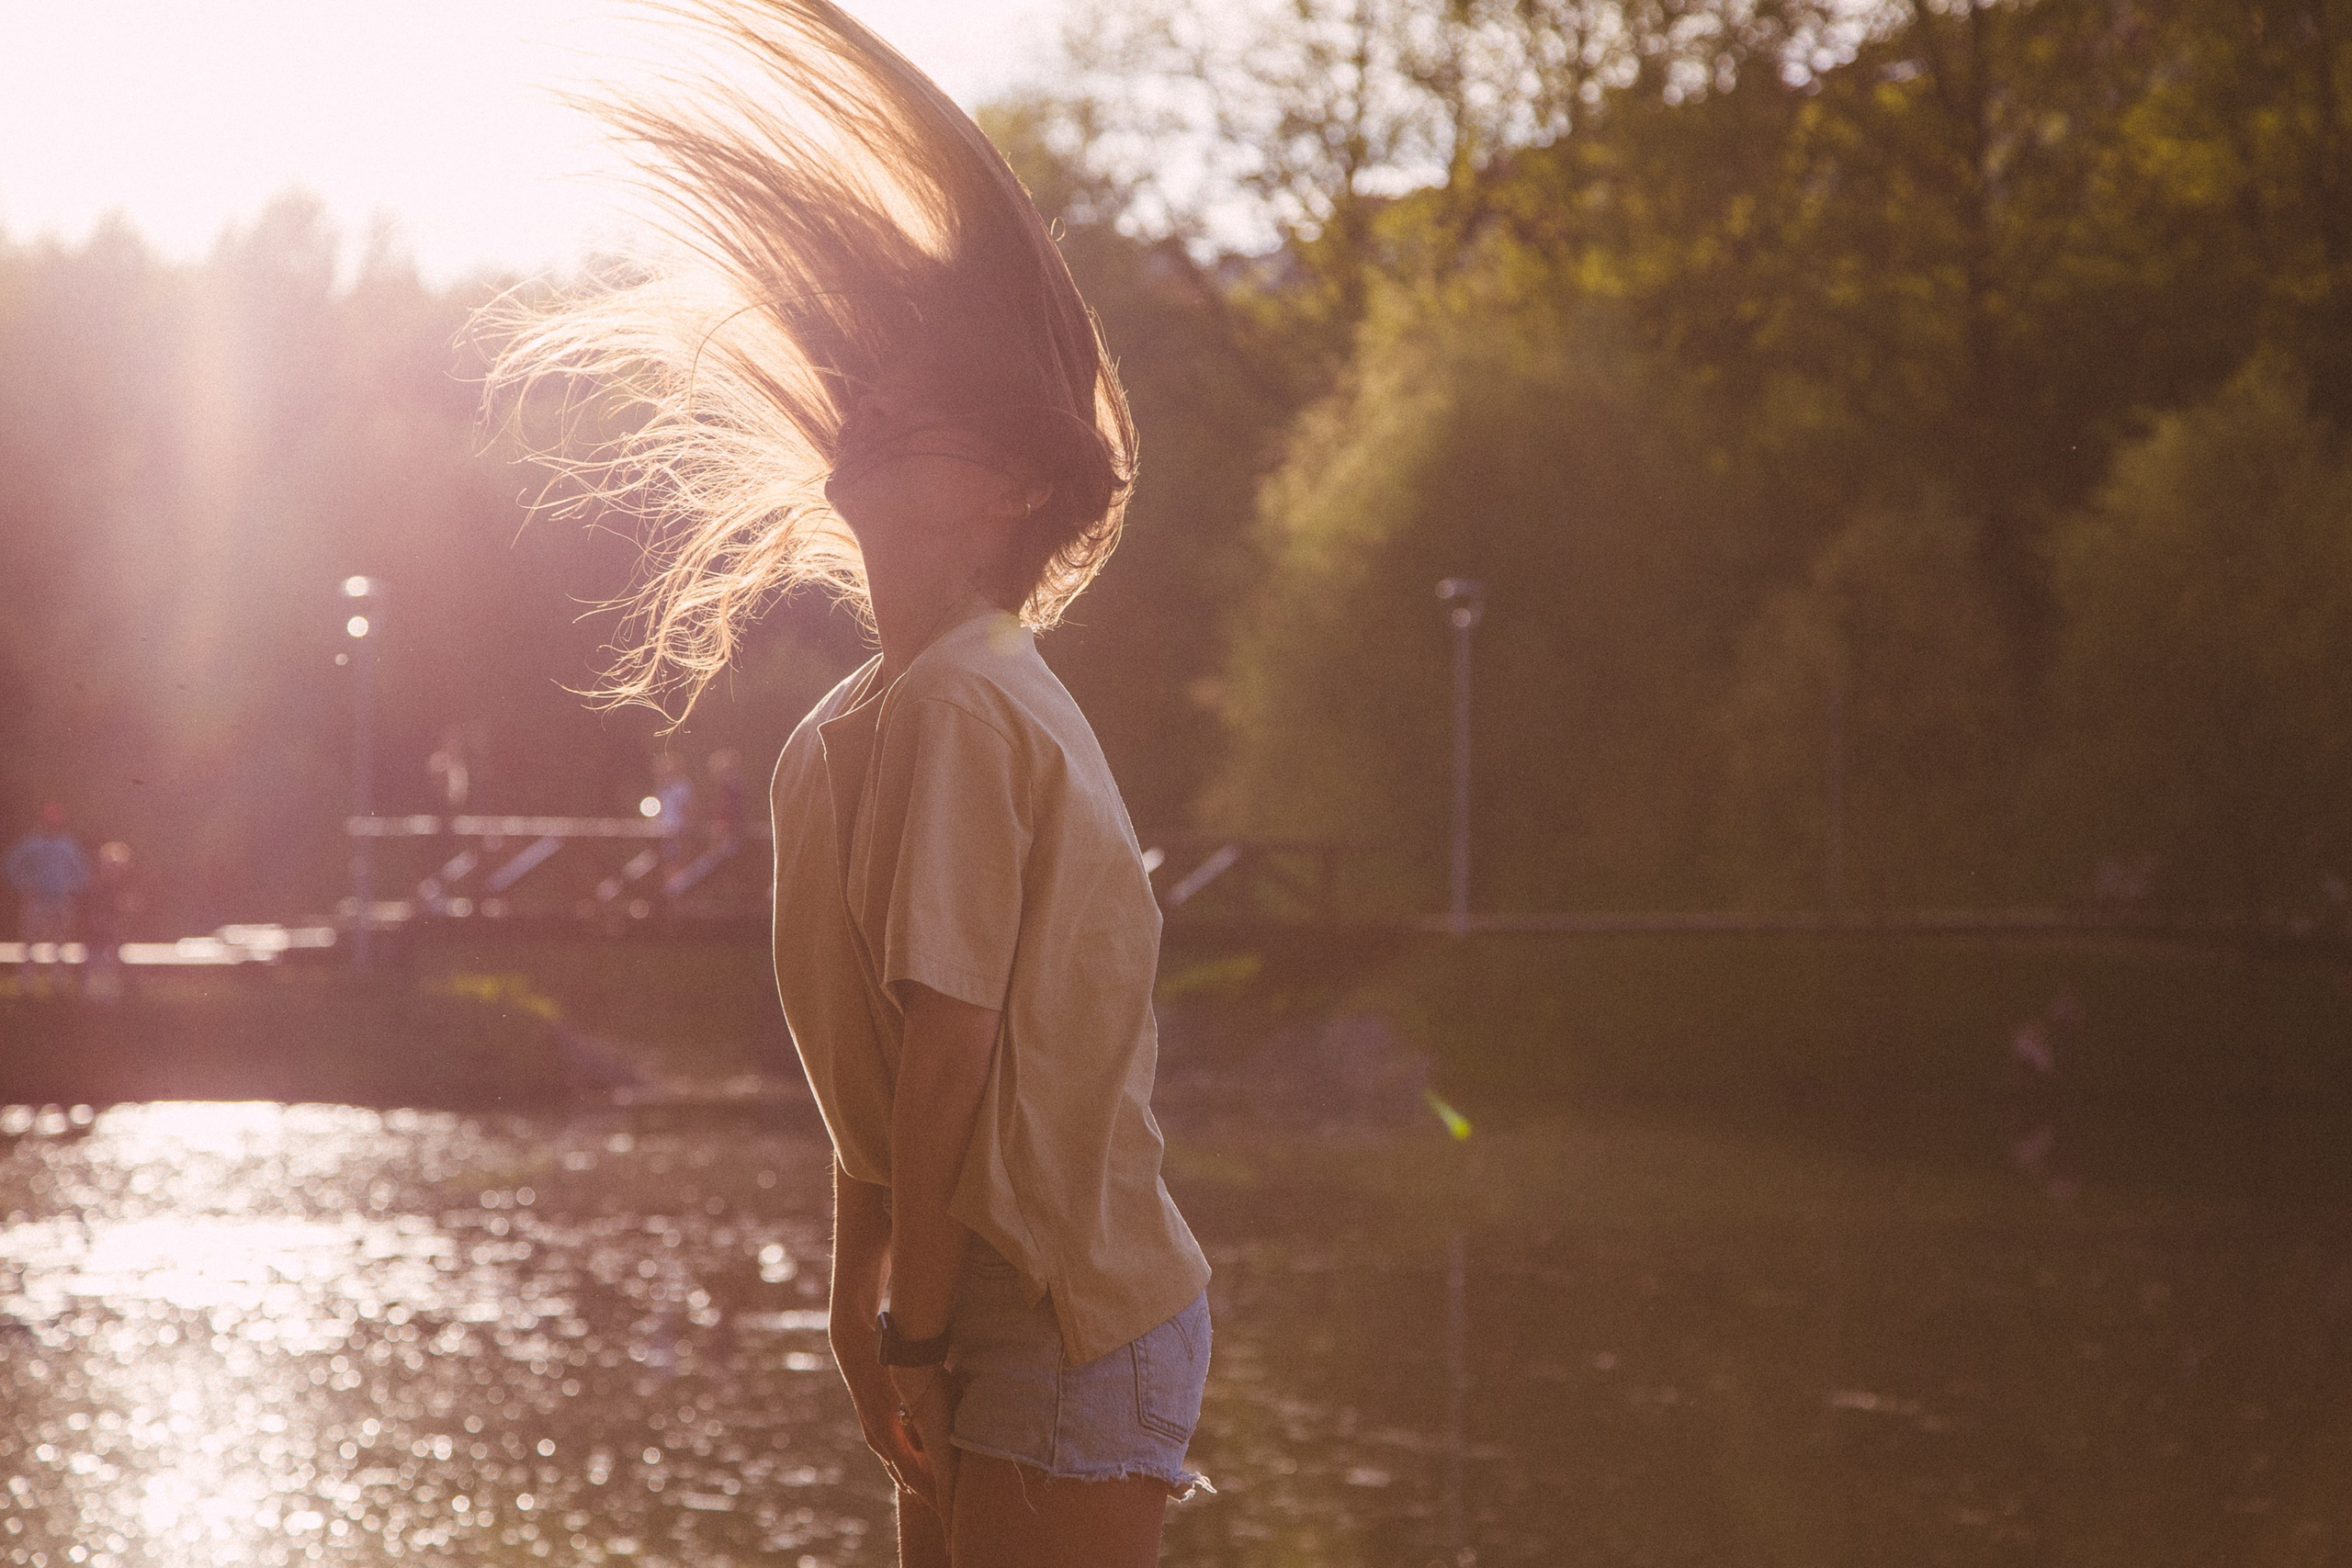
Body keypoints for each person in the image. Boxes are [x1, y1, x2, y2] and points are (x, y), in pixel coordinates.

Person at [487, 5, 1207, 1562]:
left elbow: (954, 1052)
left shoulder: (967, 700)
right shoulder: (847, 729)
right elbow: (884, 1078)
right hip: (981, 1305)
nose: (870, 403)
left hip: (1063, 1319)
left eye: (917, 402)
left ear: (1017, 482)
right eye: (874, 383)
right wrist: (855, 1296)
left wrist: (912, 1323)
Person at [6, 804, 91, 995]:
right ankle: (26, 985)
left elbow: (82, 871)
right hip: (35, 900)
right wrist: (22, 886)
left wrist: (72, 889)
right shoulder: (32, 843)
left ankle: (57, 983)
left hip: (60, 900)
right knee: (30, 942)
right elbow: (11, 865)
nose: (52, 825)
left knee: (60, 943)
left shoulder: (67, 845)